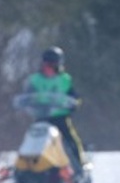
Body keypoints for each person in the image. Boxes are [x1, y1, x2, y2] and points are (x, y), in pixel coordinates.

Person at [20, 46, 87, 174]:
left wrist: (74, 104)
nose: (49, 67)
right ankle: (27, 167)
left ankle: (79, 165)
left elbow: (74, 96)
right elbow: (27, 96)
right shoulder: (35, 80)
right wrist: (25, 103)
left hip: (60, 116)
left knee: (70, 139)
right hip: (41, 116)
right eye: (47, 64)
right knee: (32, 140)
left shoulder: (65, 79)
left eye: (52, 64)